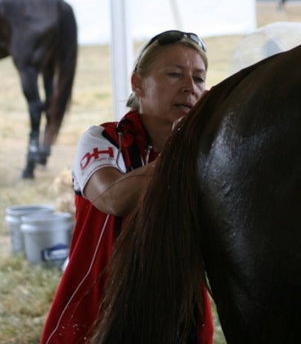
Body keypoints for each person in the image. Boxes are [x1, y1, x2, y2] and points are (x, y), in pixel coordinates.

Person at [40, 30, 213, 344]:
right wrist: (182, 152)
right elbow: (115, 198)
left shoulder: (207, 152)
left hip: (178, 309)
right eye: (174, 74)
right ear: (138, 84)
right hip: (97, 305)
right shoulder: (103, 139)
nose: (190, 87)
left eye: (199, 79)